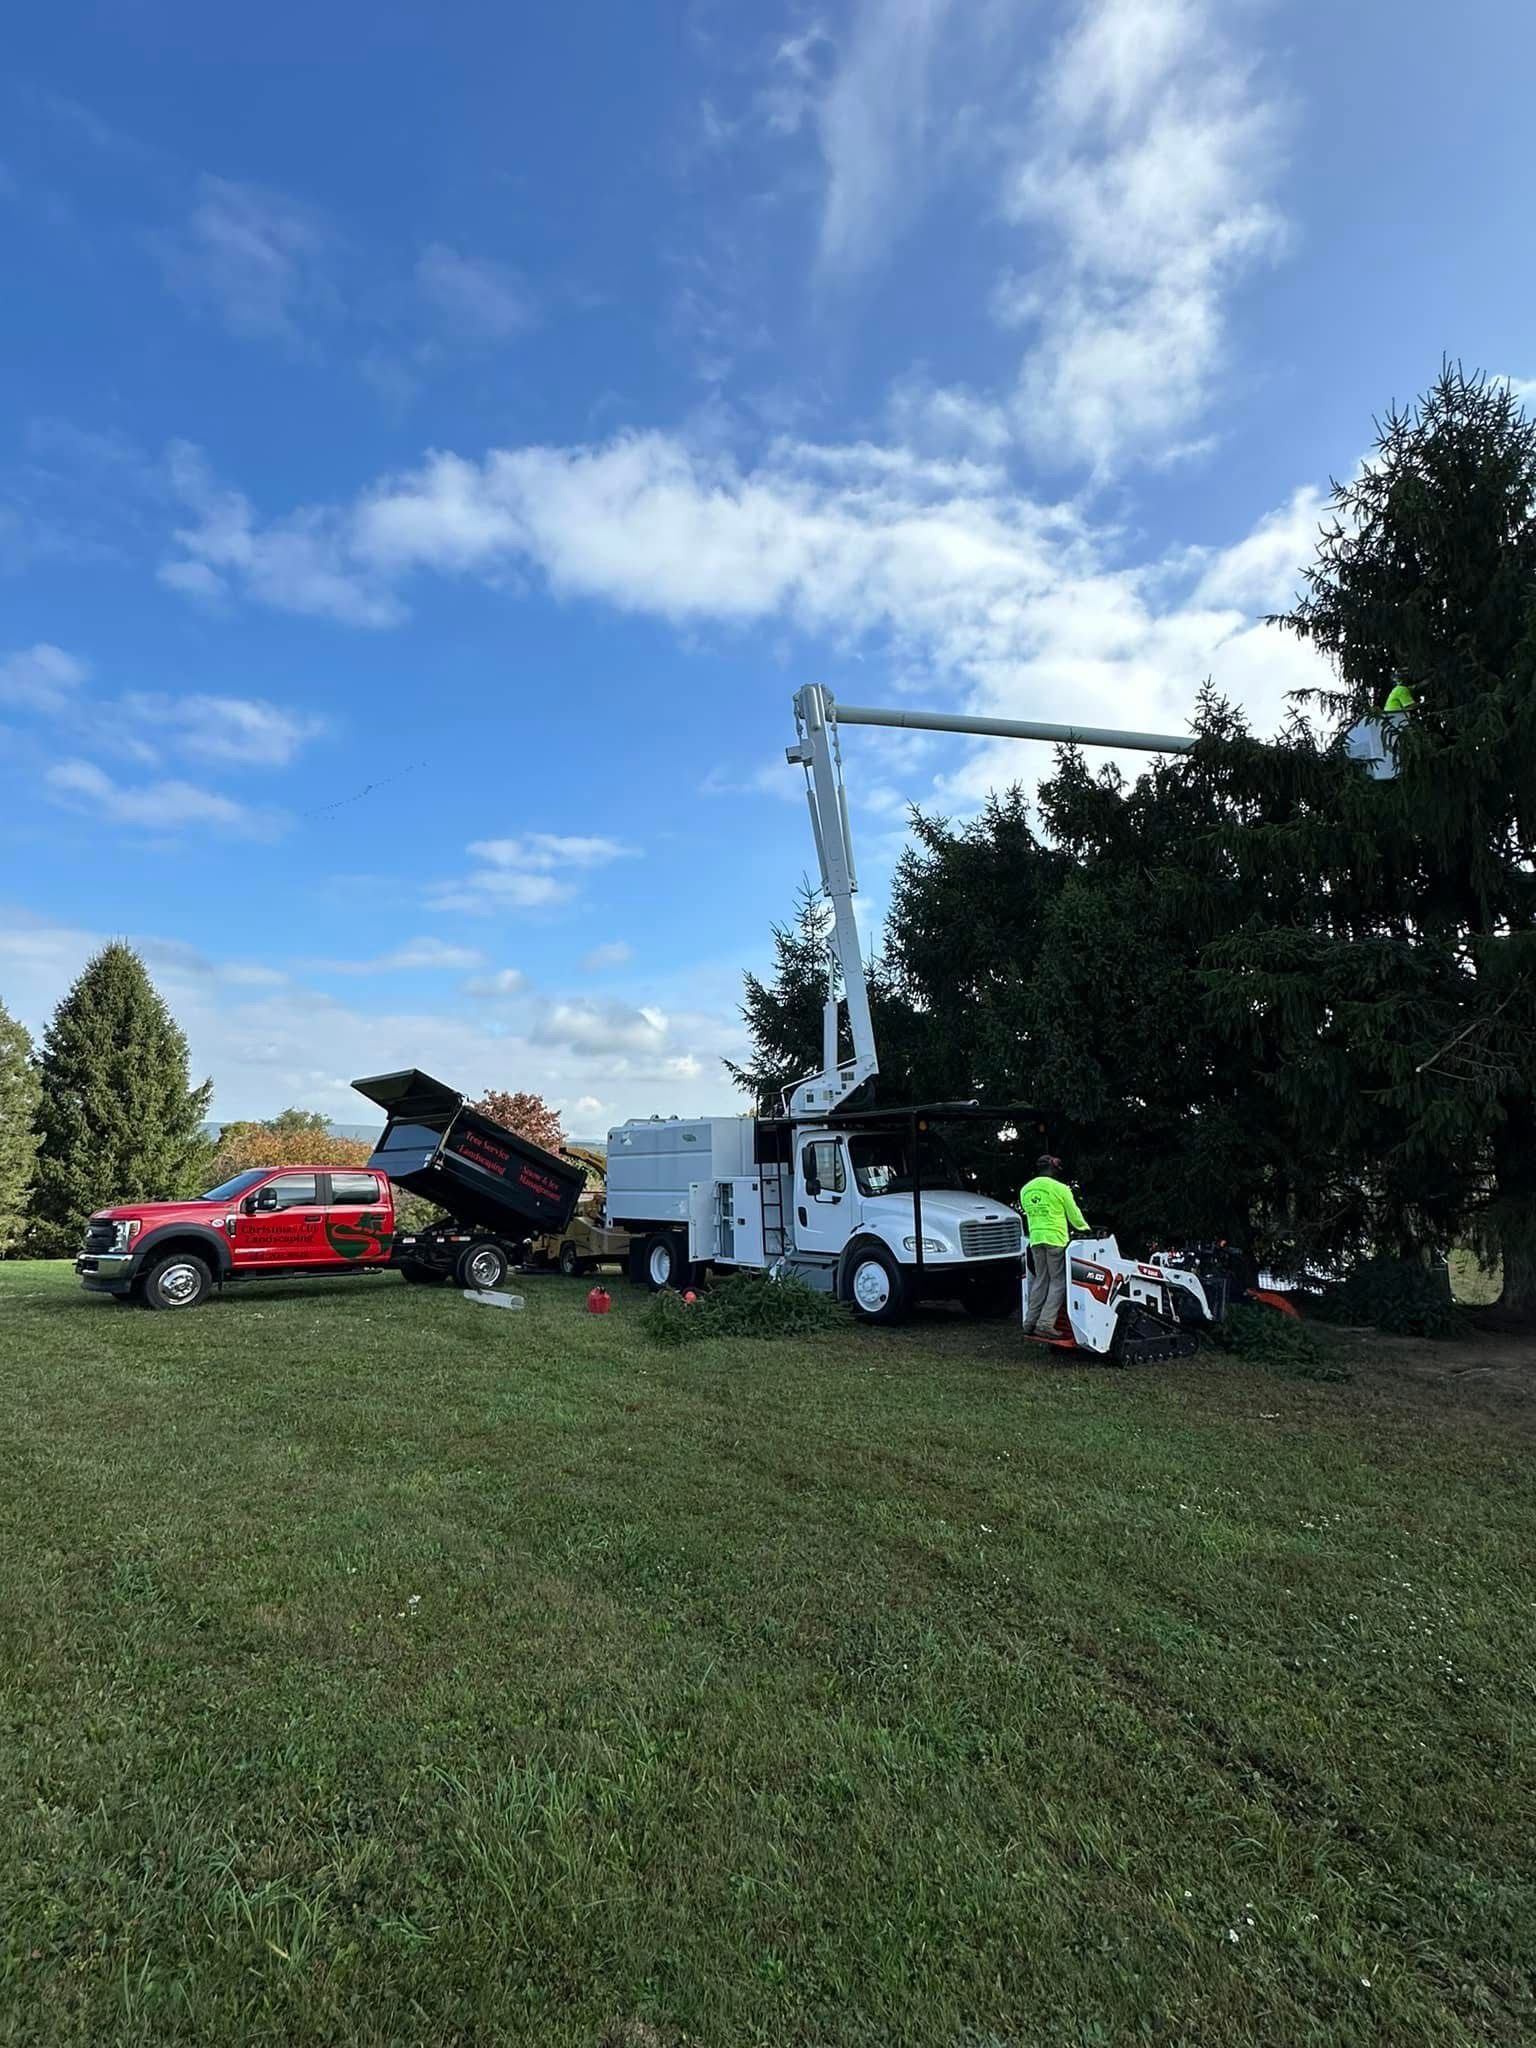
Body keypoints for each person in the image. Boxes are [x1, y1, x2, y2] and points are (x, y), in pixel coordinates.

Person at [1019, 1153, 1087, 1338]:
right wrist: (1085, 1229)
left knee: (1041, 1280)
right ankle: (1046, 1323)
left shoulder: (1026, 1189)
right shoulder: (1060, 1188)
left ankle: (1029, 1321)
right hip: (1056, 1239)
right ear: (1053, 1169)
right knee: (1058, 1282)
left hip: (1036, 1239)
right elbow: (1074, 1214)